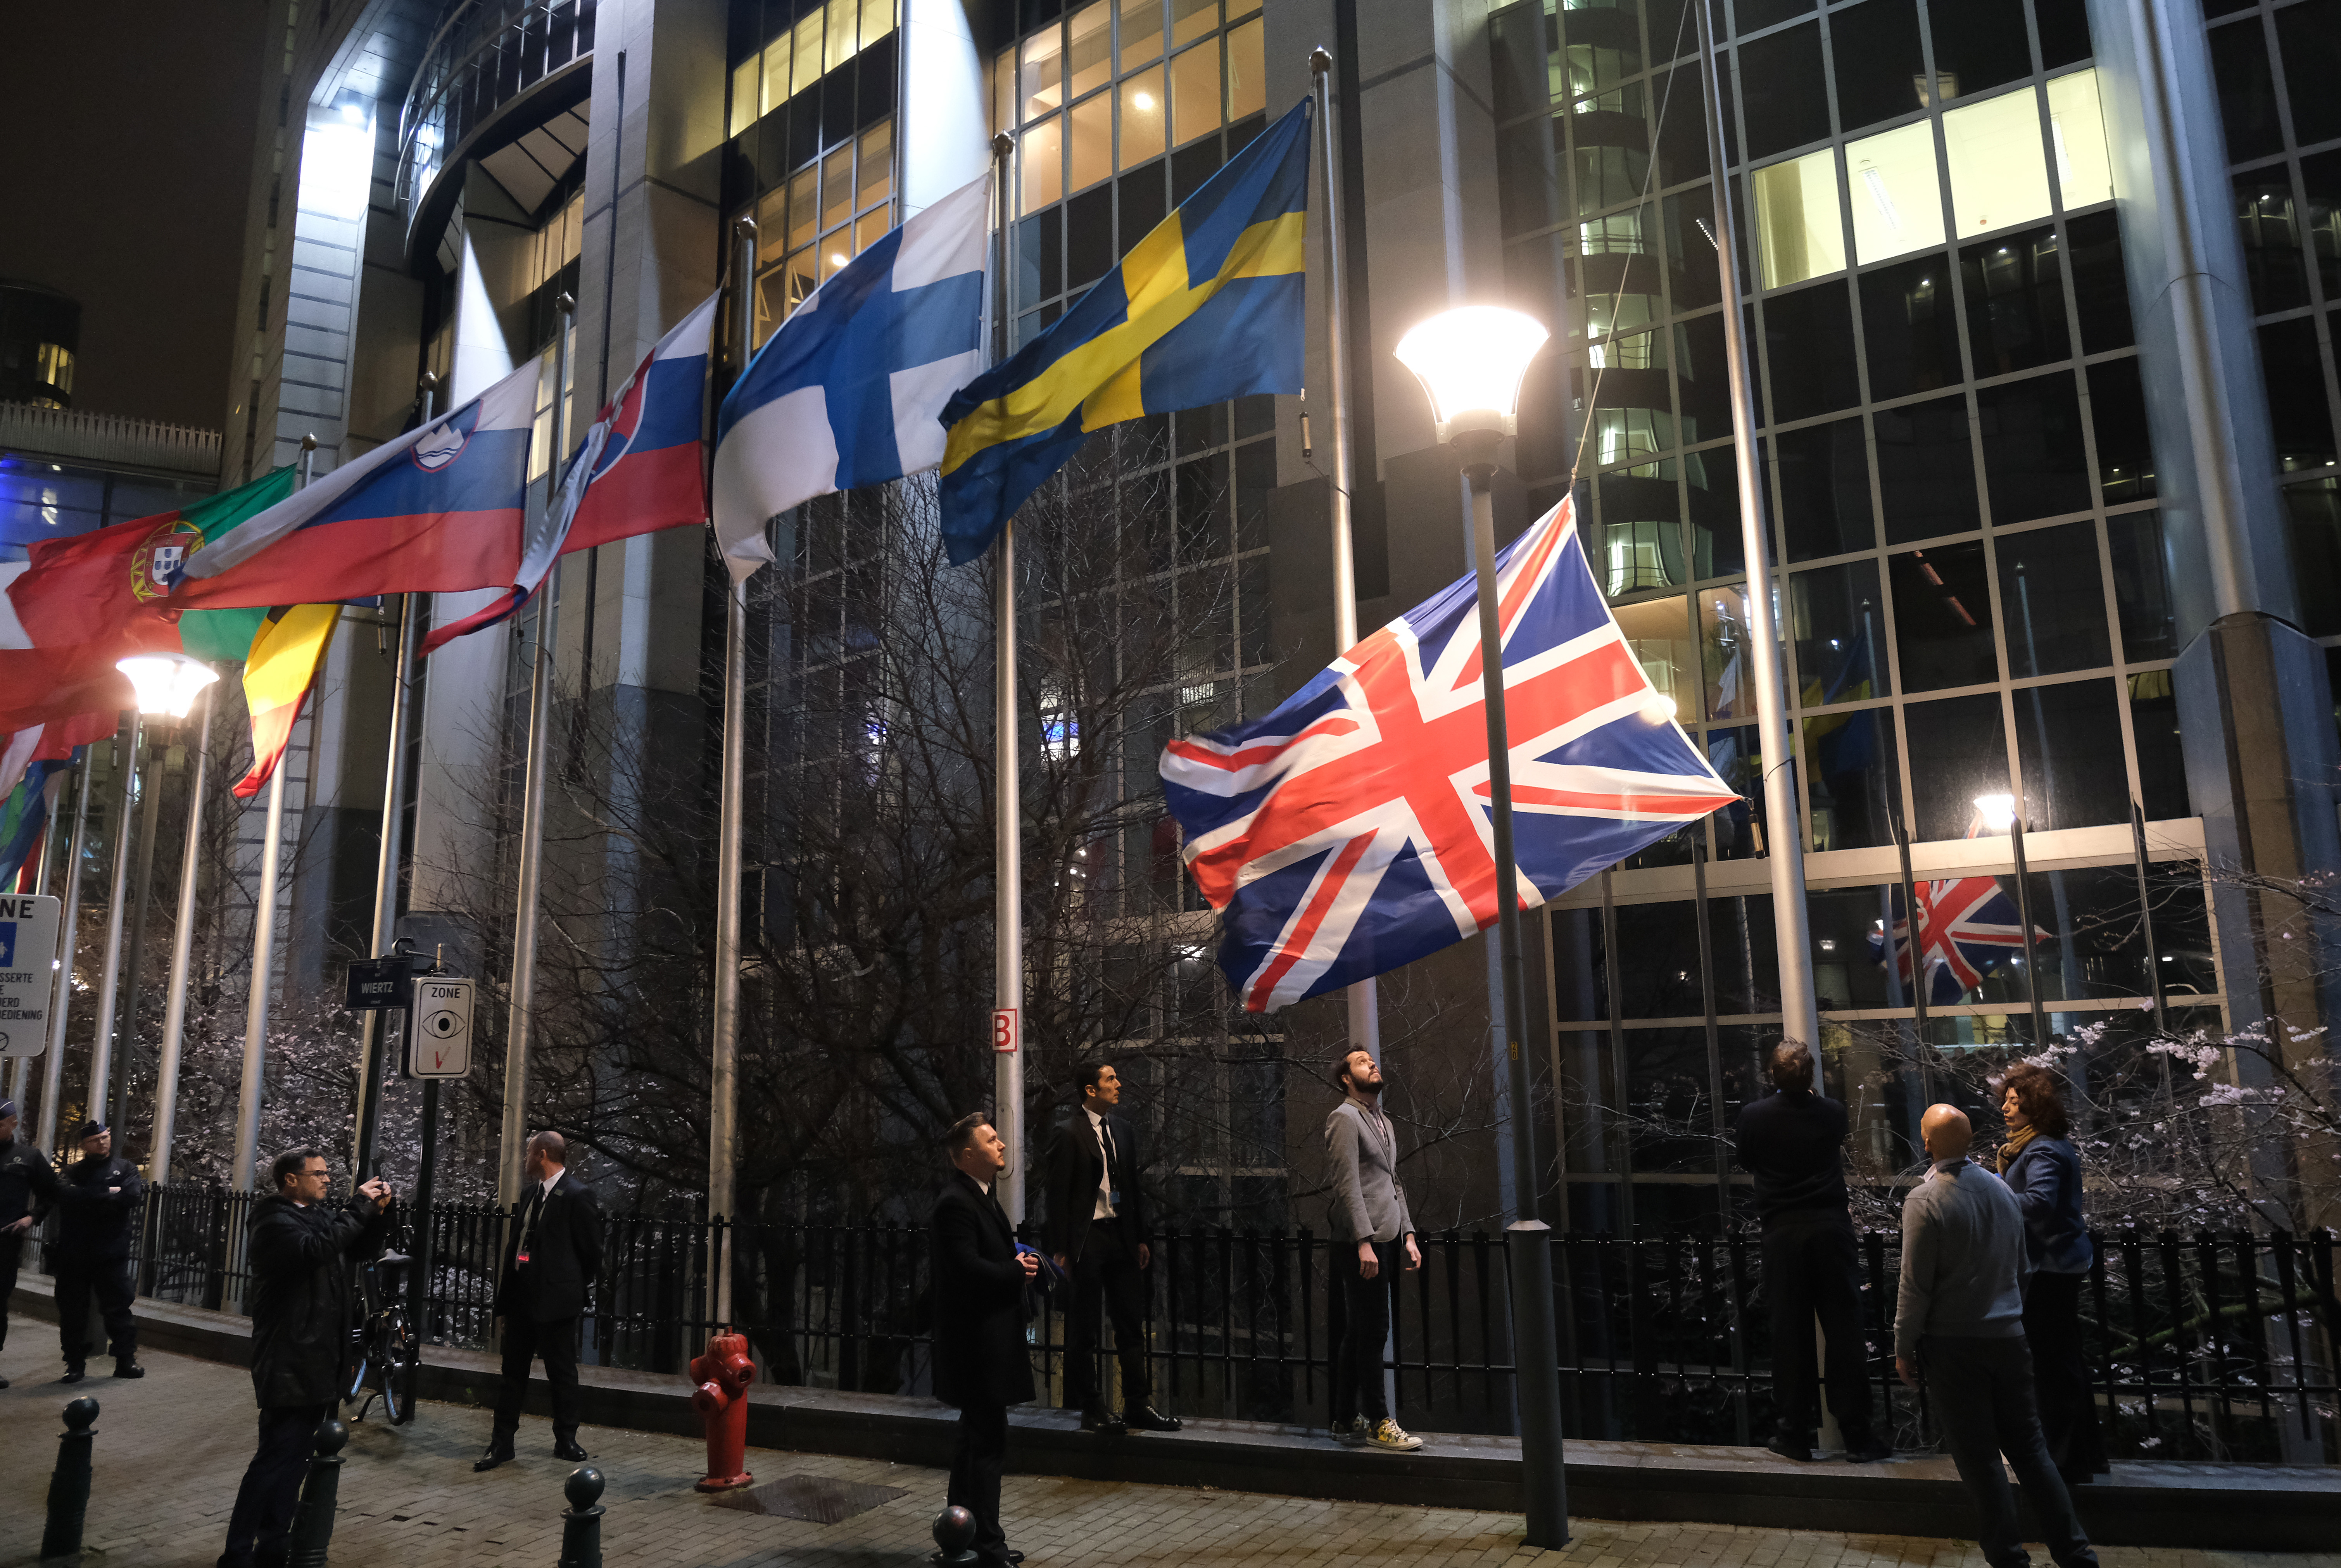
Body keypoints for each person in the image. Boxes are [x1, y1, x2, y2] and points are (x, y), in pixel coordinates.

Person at [1896, 1104, 2098, 1568]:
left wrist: (1903, 1345)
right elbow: (2022, 1266)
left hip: (1953, 1343)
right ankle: (2076, 1554)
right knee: (2031, 1451)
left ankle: (2008, 1558)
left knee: (1980, 1459)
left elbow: (1914, 1285)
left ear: (1926, 1143)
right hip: (2009, 1336)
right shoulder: (2002, 1192)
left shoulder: (1924, 1202)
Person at [220, 1148, 390, 1568]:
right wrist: (359, 1205)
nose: (327, 1180)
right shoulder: (272, 1220)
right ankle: (238, 1553)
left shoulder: (314, 1215)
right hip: (288, 1358)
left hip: (317, 1358)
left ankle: (274, 1544)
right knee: (274, 1459)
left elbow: (356, 1248)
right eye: (317, 1174)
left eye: (327, 1173)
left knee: (296, 1461)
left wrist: (379, 1213)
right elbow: (317, 1249)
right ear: (291, 1180)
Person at [1730, 1040, 1892, 1463]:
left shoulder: (1753, 1117)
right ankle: (1856, 1434)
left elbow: (1746, 1160)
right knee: (1844, 1330)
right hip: (1830, 1227)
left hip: (1782, 1231)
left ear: (1771, 1075)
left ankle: (1793, 1432)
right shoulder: (1832, 1112)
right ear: (1812, 1076)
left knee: (1789, 1333)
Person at [1041, 1062, 1177, 1434]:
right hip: (1088, 1239)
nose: (1118, 1085)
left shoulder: (1123, 1131)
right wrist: (1061, 1250)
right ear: (1090, 1090)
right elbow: (1056, 1197)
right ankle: (1091, 1407)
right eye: (1110, 1080)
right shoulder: (1068, 1133)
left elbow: (1132, 1188)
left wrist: (1140, 1237)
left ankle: (1138, 1404)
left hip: (1120, 1235)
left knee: (1131, 1322)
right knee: (1084, 1326)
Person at [931, 1113, 1039, 1568]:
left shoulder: (979, 1198)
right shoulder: (956, 1203)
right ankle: (988, 1549)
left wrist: (1016, 1262)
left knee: (971, 1446)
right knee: (987, 1448)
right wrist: (1014, 1272)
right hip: (978, 1350)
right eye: (991, 1140)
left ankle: (964, 1537)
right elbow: (966, 1271)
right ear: (968, 1155)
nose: (1001, 1145)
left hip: (984, 1346)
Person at [1996, 1064, 2109, 1487]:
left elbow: (2038, 1203)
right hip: (2058, 1262)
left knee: (2051, 1363)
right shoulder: (2034, 1146)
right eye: (2006, 1099)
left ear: (2034, 1105)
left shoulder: (2041, 1149)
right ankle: (2081, 1456)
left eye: (2014, 1100)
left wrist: (1996, 1197)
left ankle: (2063, 1460)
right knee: (2063, 1360)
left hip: (2050, 1266)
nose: (2006, 1107)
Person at [475, 1130, 602, 1471]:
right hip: (522, 1298)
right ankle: (502, 1443)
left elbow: (591, 1251)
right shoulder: (530, 1194)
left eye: (530, 1153)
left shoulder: (578, 1195)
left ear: (543, 1154)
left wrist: (569, 1285)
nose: (527, 1159)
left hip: (556, 1302)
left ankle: (566, 1439)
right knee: (512, 1373)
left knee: (561, 1372)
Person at [1323, 1048, 1422, 1451]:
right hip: (1358, 1243)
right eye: (1362, 1062)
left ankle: (1344, 1417)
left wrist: (1409, 1235)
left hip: (1384, 1237)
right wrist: (1363, 1242)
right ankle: (1379, 1422)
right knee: (1374, 1331)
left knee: (1359, 1331)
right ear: (1346, 1078)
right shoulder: (1343, 1118)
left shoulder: (1381, 1120)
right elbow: (1346, 1184)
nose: (1372, 1065)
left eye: (1372, 1061)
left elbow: (1392, 1181)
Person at [53, 1119, 144, 1382]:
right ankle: (74, 1363)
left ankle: (126, 1360)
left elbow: (131, 1197)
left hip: (111, 1252)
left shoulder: (126, 1168)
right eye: (95, 1140)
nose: (102, 1142)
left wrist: (90, 1195)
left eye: (105, 1137)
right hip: (75, 1254)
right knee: (73, 1312)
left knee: (119, 1309)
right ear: (84, 1145)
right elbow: (67, 1198)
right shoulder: (72, 1171)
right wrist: (108, 1193)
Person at [0, 1099, 61, 1388]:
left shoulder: (28, 1156)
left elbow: (51, 1193)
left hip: (5, 1243)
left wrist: (31, 1219)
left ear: (13, 1123)